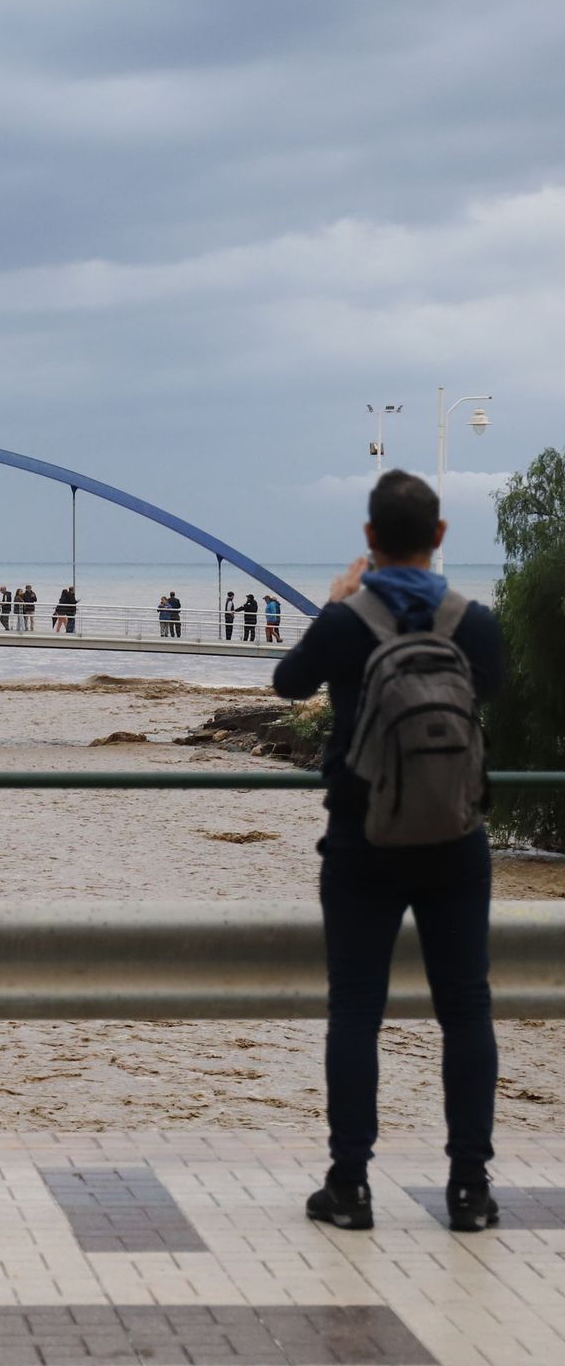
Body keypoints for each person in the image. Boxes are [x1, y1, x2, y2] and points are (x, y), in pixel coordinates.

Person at [273, 469, 506, 1234]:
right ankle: (469, 1191)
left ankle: (350, 1186)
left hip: (362, 842)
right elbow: (495, 690)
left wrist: (340, 603)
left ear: (370, 540)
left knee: (357, 1012)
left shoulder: (346, 622)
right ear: (440, 537)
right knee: (467, 1009)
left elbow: (286, 683)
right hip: (456, 840)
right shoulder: (474, 623)